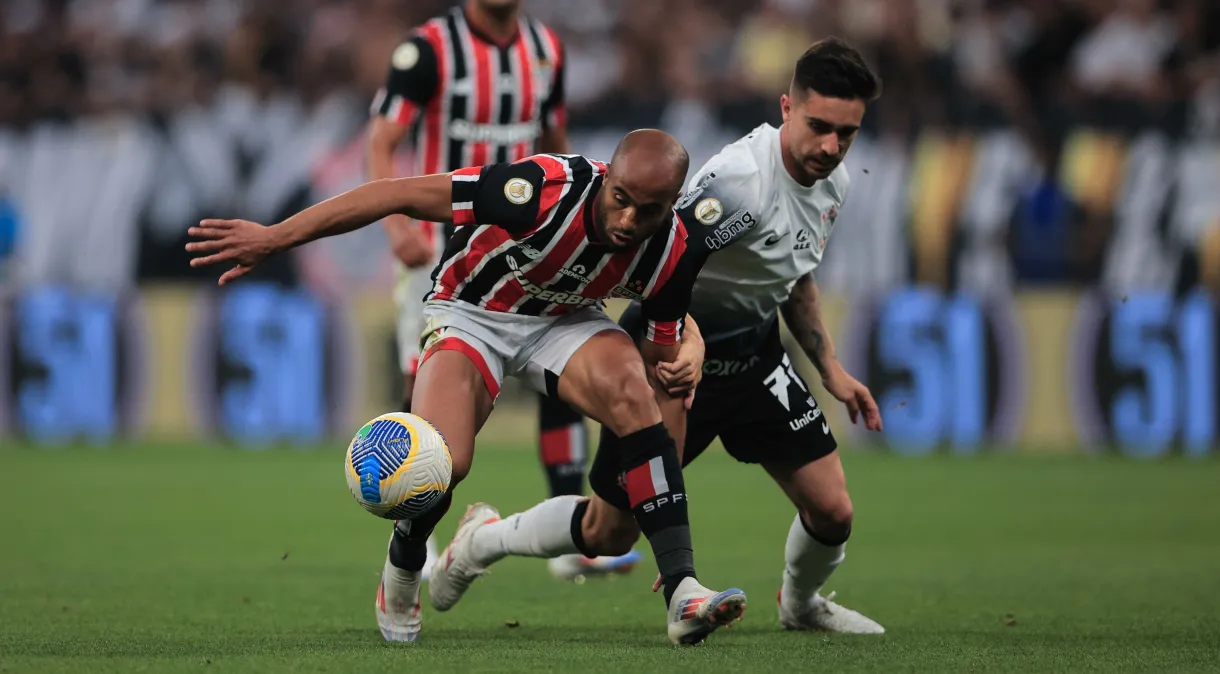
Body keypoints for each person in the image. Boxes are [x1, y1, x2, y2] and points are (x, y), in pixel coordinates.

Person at [185, 129, 747, 645]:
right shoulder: (541, 190)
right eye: (620, 198)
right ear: (607, 179)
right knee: (442, 460)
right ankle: (403, 568)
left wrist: (656, 476)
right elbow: (393, 193)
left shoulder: (675, 248)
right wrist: (274, 238)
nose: (628, 220)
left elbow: (658, 357)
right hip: (472, 311)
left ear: (671, 206)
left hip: (564, 320)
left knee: (642, 394)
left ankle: (682, 589)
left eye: (648, 211)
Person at [436, 37, 888, 634]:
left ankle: (800, 605)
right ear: (786, 108)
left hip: (754, 357)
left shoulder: (834, 184)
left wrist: (830, 369)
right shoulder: (738, 184)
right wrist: (689, 345)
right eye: (819, 127)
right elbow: (665, 270)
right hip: (670, 355)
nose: (832, 147)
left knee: (833, 510)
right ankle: (482, 542)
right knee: (609, 530)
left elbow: (794, 268)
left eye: (846, 134)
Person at [368, 0, 637, 583]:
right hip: (443, 252)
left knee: (566, 374)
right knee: (427, 383)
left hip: (527, 252)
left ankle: (574, 545)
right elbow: (382, 140)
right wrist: (396, 226)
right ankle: (421, 537)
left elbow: (557, 140)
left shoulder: (546, 50)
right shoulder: (429, 49)